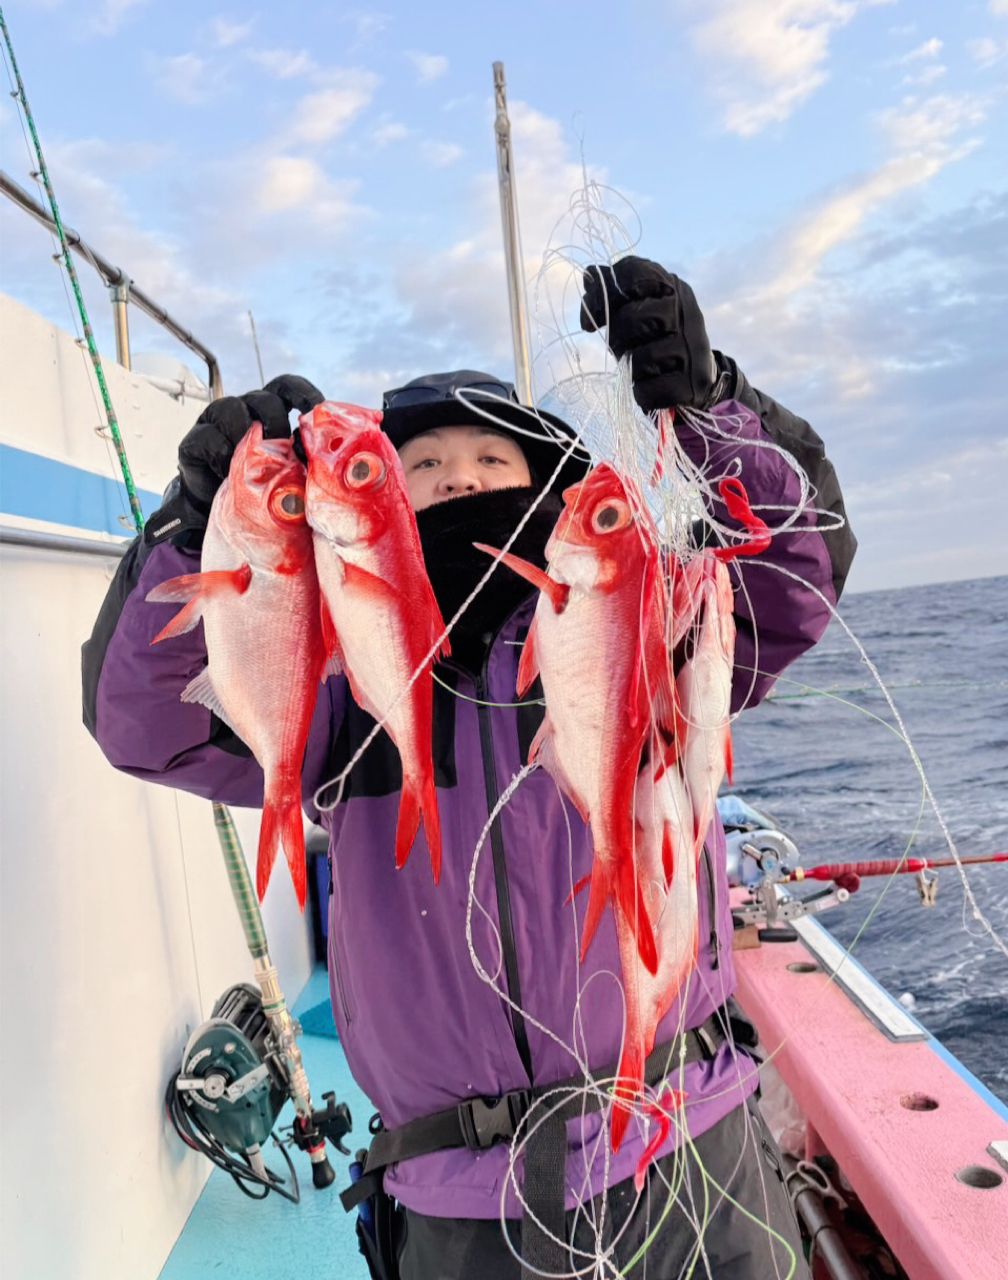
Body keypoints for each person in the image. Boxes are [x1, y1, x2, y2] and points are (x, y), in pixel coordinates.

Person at [82, 257, 856, 1280]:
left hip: (687, 1143)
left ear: (546, 488)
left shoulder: (642, 618)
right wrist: (196, 524)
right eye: (425, 462)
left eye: (492, 455)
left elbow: (798, 572)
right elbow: (141, 722)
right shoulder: (342, 683)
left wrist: (711, 404)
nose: (459, 475)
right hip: (461, 1208)